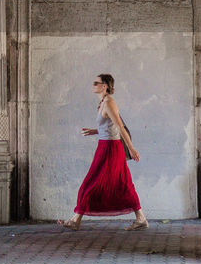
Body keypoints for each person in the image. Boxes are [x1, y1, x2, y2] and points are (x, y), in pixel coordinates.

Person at [59, 73, 149, 231]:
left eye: (96, 83)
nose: (93, 85)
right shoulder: (103, 102)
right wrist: (96, 131)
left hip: (111, 149)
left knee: (95, 183)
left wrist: (132, 148)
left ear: (105, 86)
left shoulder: (109, 102)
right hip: (104, 146)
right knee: (121, 183)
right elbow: (109, 125)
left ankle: (76, 220)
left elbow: (120, 126)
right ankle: (140, 218)